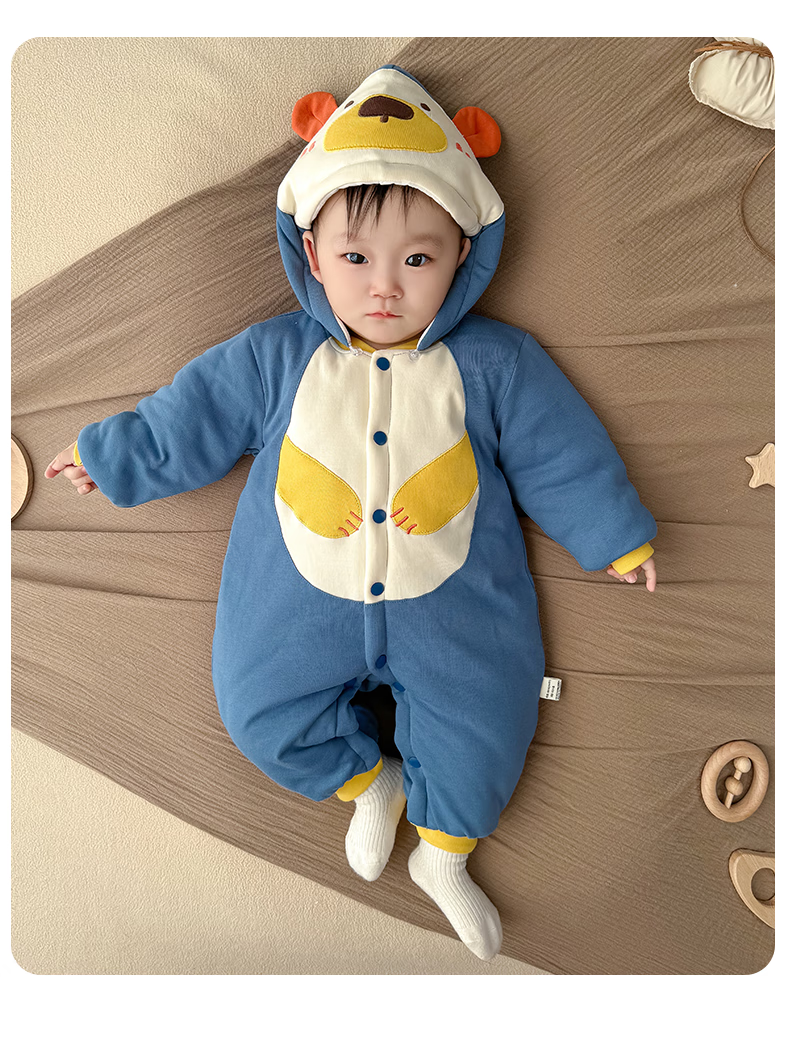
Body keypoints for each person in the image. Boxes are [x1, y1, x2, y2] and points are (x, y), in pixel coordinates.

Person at [45, 65, 658, 961]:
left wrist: (615, 534)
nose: (385, 288)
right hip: (294, 608)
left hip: (457, 611)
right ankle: (371, 783)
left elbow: (560, 452)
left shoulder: (497, 364)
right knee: (256, 709)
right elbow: (191, 417)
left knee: (488, 720)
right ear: (312, 254)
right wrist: (110, 455)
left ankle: (445, 856)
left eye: (418, 259)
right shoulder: (274, 357)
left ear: (463, 255)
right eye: (356, 259)